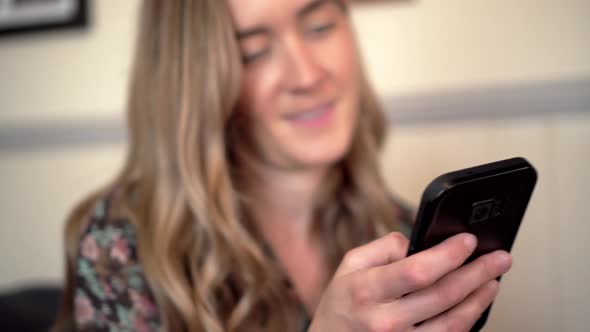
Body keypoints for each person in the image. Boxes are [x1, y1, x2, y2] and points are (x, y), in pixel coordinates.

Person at [52, 0, 513, 331]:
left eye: (318, 27)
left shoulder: (403, 233)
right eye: (253, 52)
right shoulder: (122, 243)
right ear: (196, 86)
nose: (307, 75)